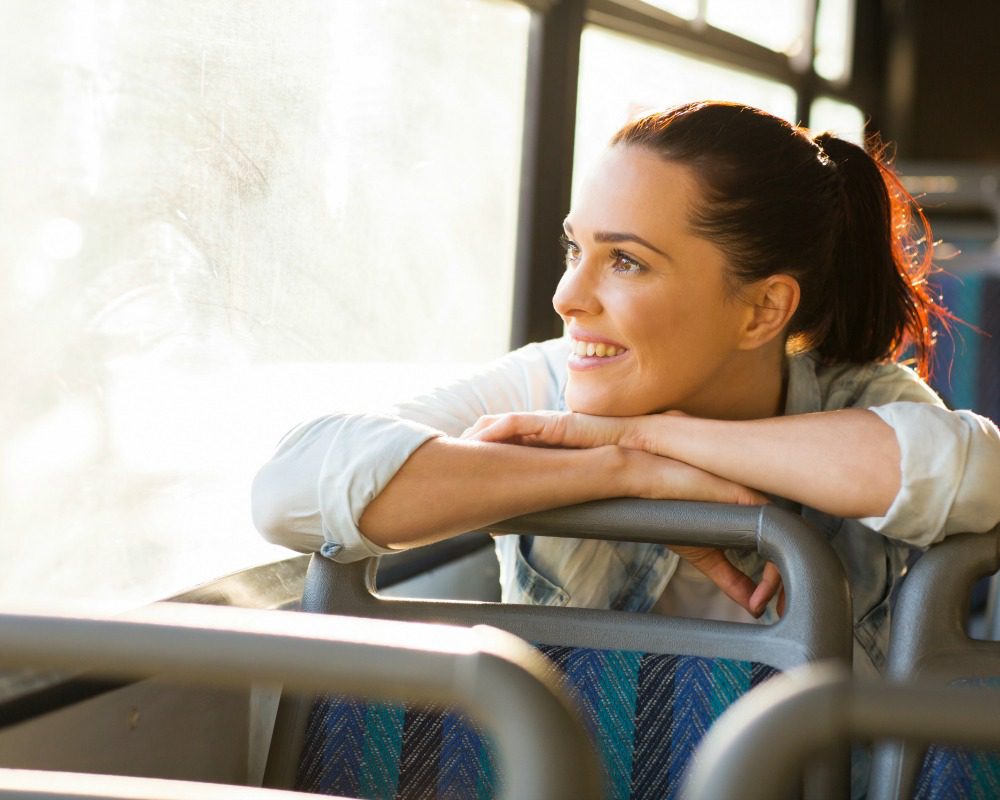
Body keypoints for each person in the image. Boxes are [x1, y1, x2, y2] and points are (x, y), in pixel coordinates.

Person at [252, 101, 1000, 789]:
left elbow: (968, 475)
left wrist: (658, 435)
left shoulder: (852, 395)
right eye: (575, 248)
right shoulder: (549, 384)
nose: (567, 297)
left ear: (763, 309)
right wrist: (624, 468)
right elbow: (289, 487)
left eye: (627, 261)